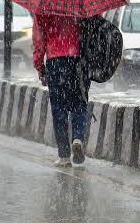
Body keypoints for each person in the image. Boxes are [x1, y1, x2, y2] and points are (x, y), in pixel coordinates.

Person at [33, 14, 89, 167]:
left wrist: (40, 67)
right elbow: (94, 26)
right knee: (79, 103)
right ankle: (78, 138)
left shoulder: (44, 6)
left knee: (59, 109)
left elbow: (39, 42)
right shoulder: (81, 1)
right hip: (78, 61)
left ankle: (64, 155)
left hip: (55, 62)